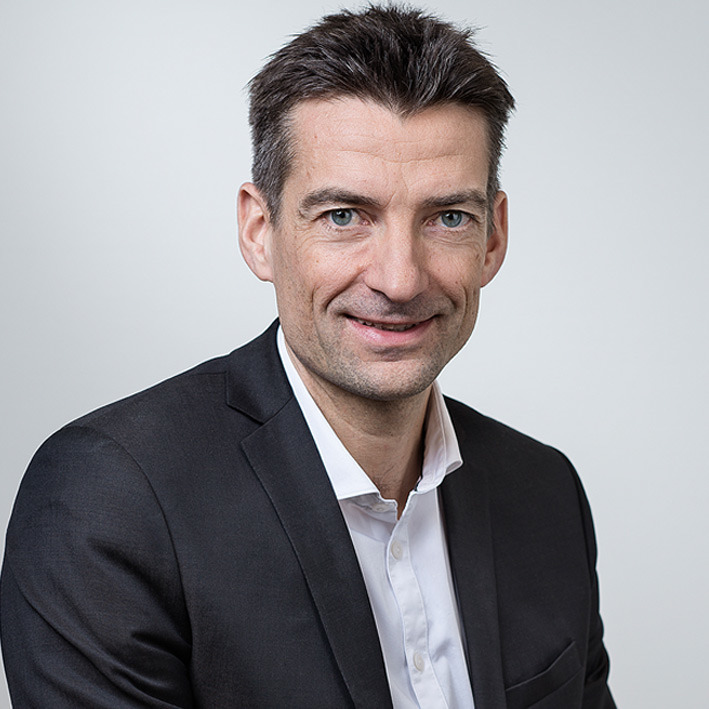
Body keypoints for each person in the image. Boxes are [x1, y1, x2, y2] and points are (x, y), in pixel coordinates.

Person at [0, 5, 615, 708]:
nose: (399, 279)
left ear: (493, 239)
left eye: (448, 217)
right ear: (259, 231)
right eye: (343, 216)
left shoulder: (544, 492)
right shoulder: (109, 504)